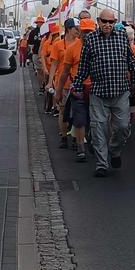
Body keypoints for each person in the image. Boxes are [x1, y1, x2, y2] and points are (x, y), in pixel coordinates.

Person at [71, 9, 135, 177]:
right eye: (104, 21)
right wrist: (78, 86)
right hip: (99, 92)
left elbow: (131, 62)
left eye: (111, 22)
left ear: (114, 22)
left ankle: (115, 151)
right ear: (99, 21)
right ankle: (102, 163)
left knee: (123, 127)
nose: (108, 25)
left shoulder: (121, 36)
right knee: (98, 128)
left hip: (120, 91)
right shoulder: (90, 39)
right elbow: (83, 66)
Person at [55, 18, 96, 162]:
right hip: (78, 88)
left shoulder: (99, 47)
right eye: (85, 32)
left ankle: (90, 139)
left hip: (96, 89)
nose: (88, 34)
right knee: (79, 120)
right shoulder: (72, 48)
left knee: (94, 120)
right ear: (80, 32)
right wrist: (58, 91)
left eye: (90, 31)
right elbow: (64, 72)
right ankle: (80, 148)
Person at [47, 18, 80, 148]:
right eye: (75, 28)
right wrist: (50, 82)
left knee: (77, 111)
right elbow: (54, 65)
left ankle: (76, 136)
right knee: (63, 110)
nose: (78, 31)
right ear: (68, 29)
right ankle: (64, 136)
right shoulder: (58, 45)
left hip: (77, 83)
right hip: (63, 82)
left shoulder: (80, 43)